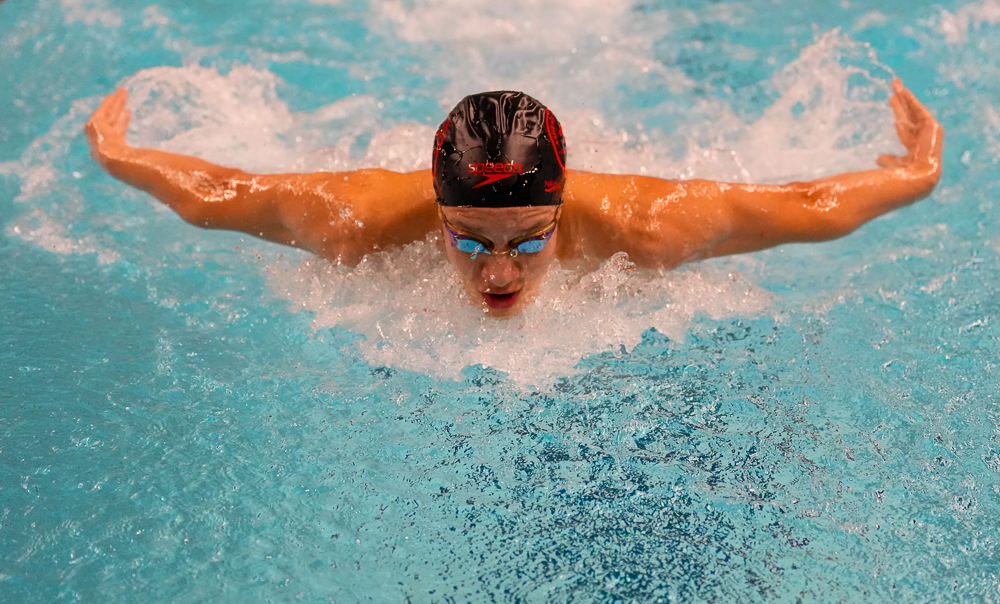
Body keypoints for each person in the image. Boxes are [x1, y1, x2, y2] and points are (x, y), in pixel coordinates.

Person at [85, 81, 943, 317]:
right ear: (436, 210)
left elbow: (809, 206)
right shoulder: (356, 223)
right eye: (469, 240)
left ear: (562, 213)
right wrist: (119, 155)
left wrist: (918, 174)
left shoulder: (646, 229)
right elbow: (215, 195)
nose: (499, 274)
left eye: (530, 241)